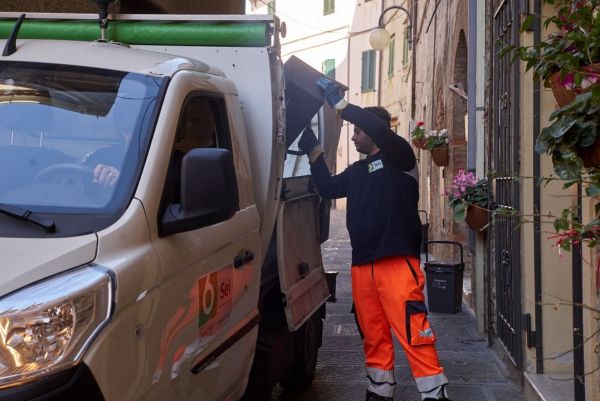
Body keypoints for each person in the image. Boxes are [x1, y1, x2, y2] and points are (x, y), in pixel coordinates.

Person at [298, 77, 451, 401]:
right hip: (362, 266)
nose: (353, 136)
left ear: (376, 131)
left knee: (414, 331)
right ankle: (379, 390)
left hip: (397, 263)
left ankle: (434, 393)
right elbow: (328, 188)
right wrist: (313, 151)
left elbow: (376, 129)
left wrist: (341, 106)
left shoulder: (401, 157)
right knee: (373, 333)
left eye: (357, 130)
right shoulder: (356, 171)